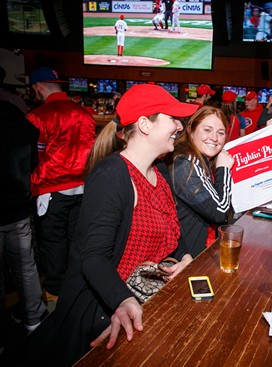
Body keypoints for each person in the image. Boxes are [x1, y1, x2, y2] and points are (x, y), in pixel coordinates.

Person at [27, 84, 199, 366]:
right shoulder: (111, 176)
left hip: (151, 300)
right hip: (106, 308)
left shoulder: (159, 174)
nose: (179, 127)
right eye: (172, 119)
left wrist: (186, 257)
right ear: (145, 125)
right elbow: (93, 258)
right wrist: (122, 300)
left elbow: (173, 233)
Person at [26, 67, 96, 305]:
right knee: (75, 238)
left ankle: (55, 293)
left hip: (52, 187)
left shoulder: (38, 116)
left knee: (53, 241)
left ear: (39, 87)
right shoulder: (85, 114)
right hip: (82, 187)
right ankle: (75, 287)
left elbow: (34, 158)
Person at [0, 101, 46, 352]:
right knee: (25, 266)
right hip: (18, 205)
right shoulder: (21, 122)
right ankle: (33, 319)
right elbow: (32, 162)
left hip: (10, 206)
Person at [168, 106, 234, 259]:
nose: (214, 138)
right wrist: (223, 169)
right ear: (191, 131)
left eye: (220, 133)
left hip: (198, 253)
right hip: (184, 260)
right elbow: (219, 212)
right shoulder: (186, 163)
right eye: (207, 130)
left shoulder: (201, 159)